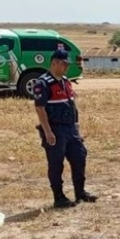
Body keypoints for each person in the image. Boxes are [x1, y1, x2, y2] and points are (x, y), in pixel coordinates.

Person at [33, 49, 98, 208]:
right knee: (56, 163)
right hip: (55, 129)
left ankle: (80, 192)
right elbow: (40, 108)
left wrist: (76, 125)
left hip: (70, 128)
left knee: (79, 157)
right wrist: (48, 131)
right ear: (54, 63)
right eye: (64, 64)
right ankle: (59, 198)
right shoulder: (43, 83)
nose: (67, 67)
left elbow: (72, 104)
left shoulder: (65, 81)